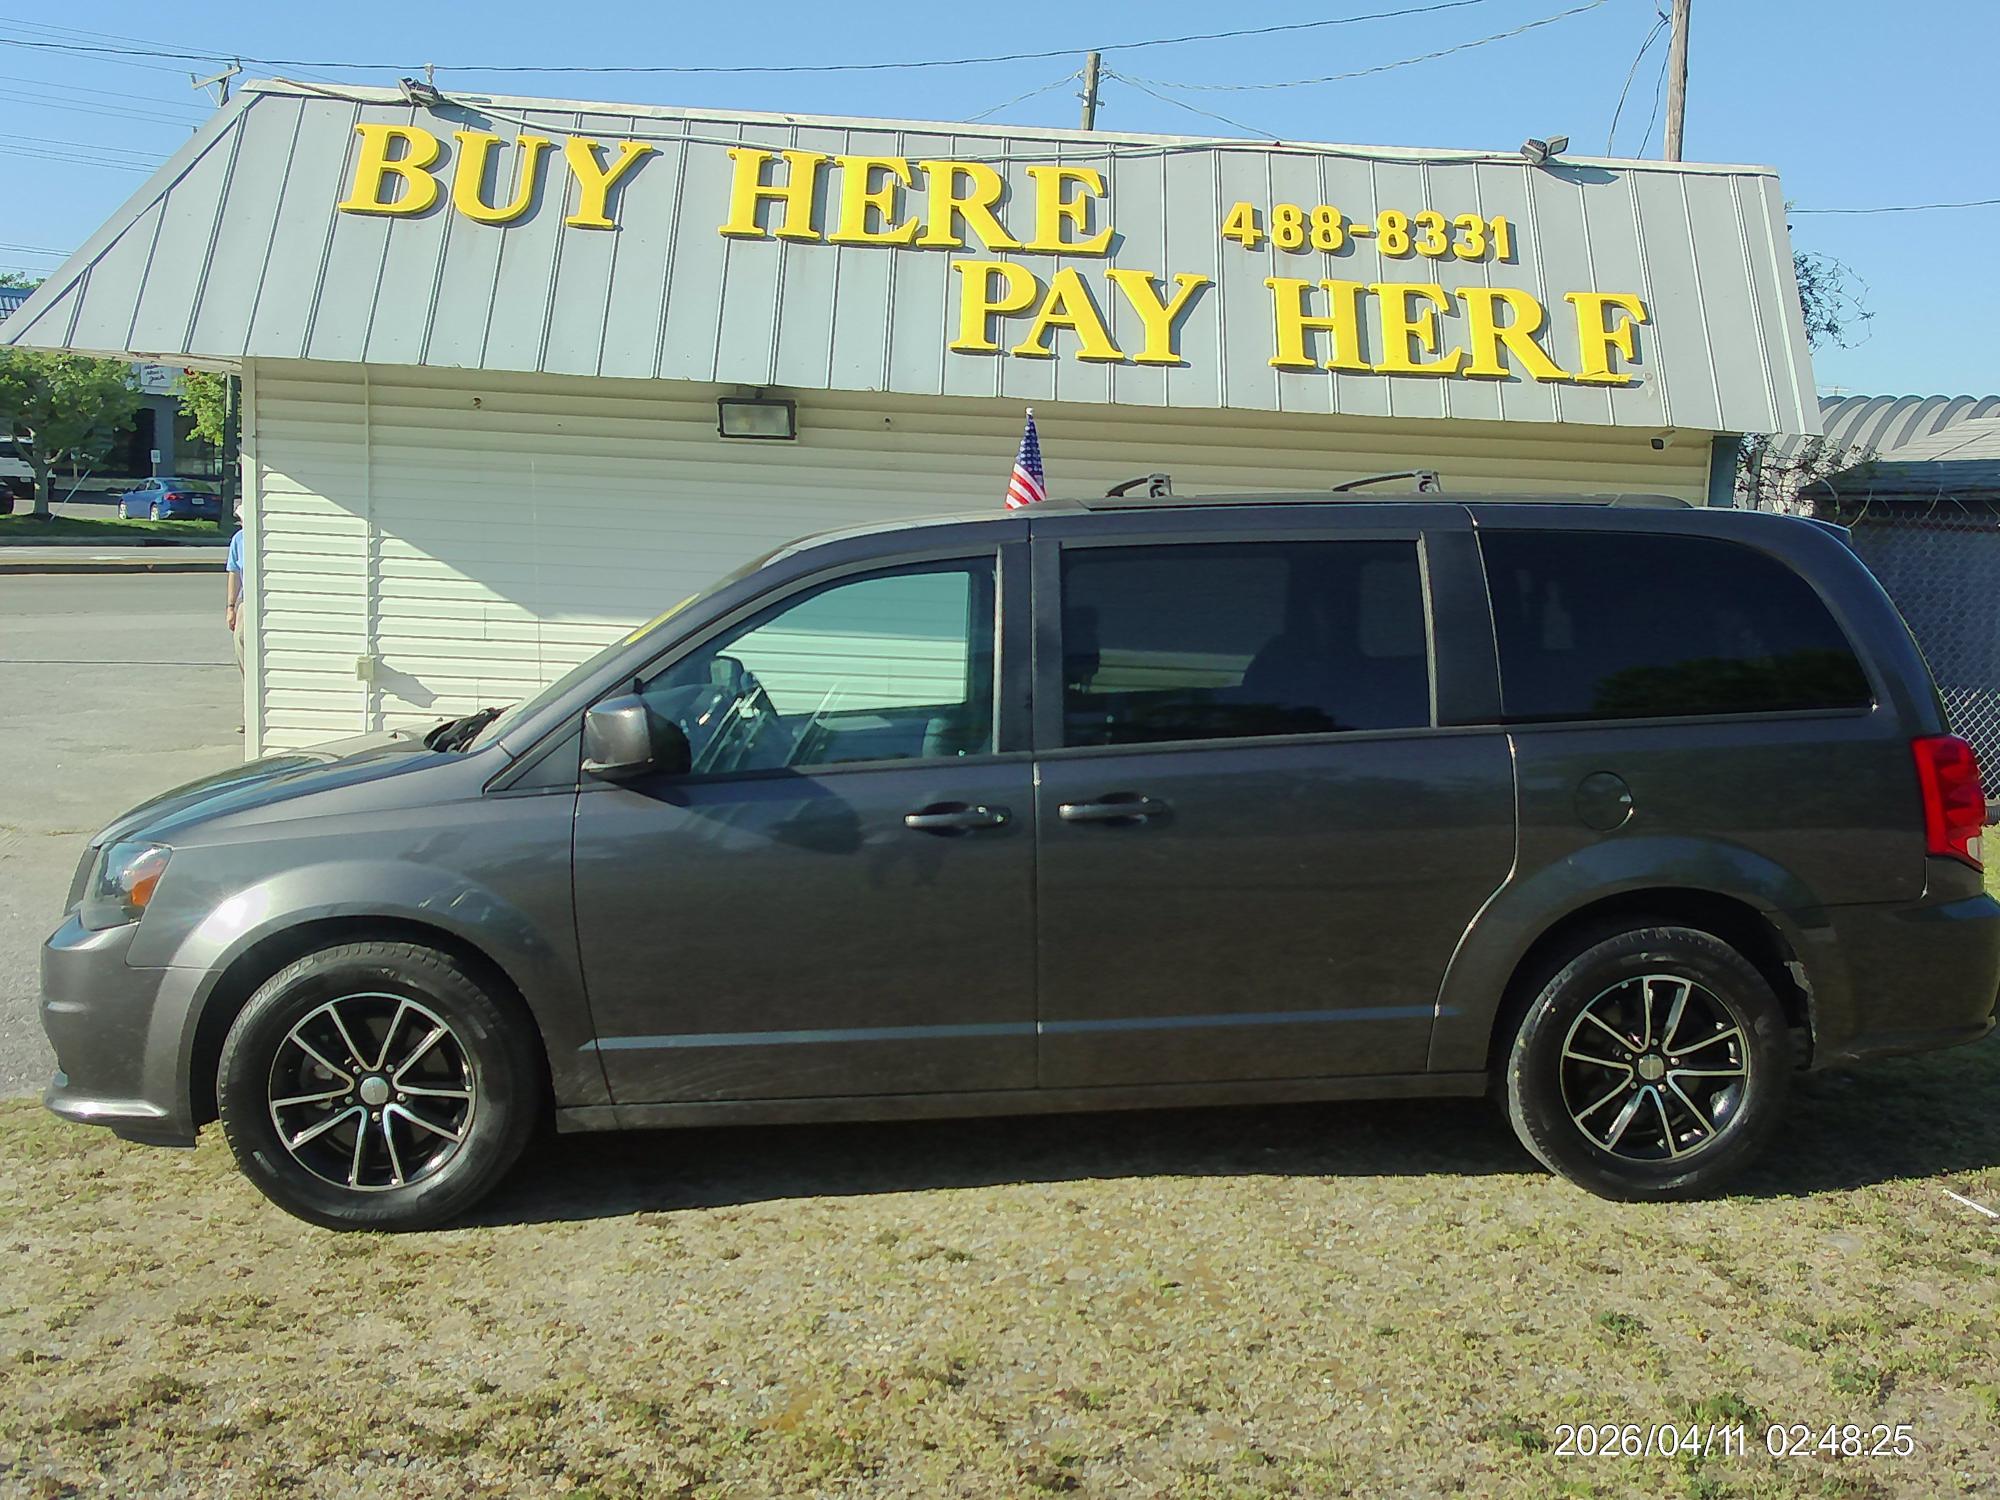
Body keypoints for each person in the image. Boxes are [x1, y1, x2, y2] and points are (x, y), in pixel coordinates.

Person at [225, 515, 245, 732]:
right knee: (244, 660)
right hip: (245, 604)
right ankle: (248, 716)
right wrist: (231, 606)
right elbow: (234, 573)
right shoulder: (239, 539)